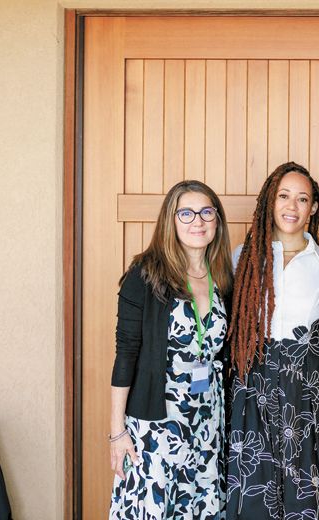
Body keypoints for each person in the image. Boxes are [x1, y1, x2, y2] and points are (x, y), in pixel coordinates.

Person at [225, 162, 319, 519]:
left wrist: (311, 347)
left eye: (302, 198)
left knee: (309, 484)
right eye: (284, 196)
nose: (292, 206)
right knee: (255, 485)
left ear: (313, 208)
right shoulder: (242, 257)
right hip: (253, 384)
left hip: (308, 390)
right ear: (270, 201)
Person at [109, 180, 233, 520]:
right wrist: (117, 432)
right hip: (157, 424)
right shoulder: (144, 276)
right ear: (171, 220)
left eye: (207, 212)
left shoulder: (222, 278)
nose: (198, 221)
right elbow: (126, 353)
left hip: (207, 421)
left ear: (217, 221)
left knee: (199, 508)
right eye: (187, 213)